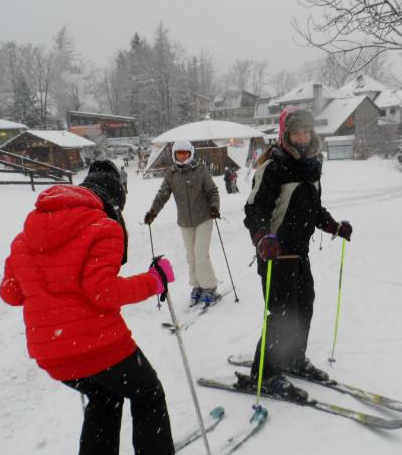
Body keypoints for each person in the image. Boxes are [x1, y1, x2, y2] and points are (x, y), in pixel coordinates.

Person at [0, 160, 176, 455]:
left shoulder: (24, 236)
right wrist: (154, 280)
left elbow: (10, 293)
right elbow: (104, 292)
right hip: (100, 347)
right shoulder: (103, 227)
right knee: (148, 393)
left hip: (51, 355)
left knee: (105, 399)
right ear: (113, 202)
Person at [241, 108, 352, 399]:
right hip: (275, 255)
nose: (302, 137)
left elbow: (313, 208)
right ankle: (264, 374)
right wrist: (262, 237)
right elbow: (255, 210)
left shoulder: (312, 166)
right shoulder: (273, 167)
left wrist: (333, 226)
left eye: (305, 131)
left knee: (304, 307)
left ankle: (292, 358)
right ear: (285, 135)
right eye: (295, 132)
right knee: (282, 315)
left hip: (299, 254)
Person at [144, 140, 221, 305]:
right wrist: (153, 212)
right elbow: (162, 194)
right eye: (179, 153)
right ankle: (197, 285)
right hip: (185, 221)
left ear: (191, 153)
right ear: (174, 155)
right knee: (191, 256)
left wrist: (214, 206)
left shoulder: (200, 169)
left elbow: (212, 190)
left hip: (204, 218)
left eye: (185, 153)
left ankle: (209, 287)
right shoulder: (171, 173)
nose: (182, 156)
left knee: (200, 253)